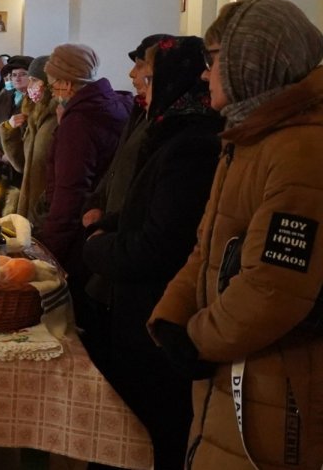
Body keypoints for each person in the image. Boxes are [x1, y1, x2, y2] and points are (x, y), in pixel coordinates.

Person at [150, 0, 323, 469]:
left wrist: (197, 338)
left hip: (273, 380)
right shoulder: (249, 136)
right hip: (231, 366)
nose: (205, 74)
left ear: (252, 58)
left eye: (213, 60)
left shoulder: (301, 148)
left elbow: (275, 286)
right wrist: (171, 316)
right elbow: (205, 248)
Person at [79, 36, 221, 470]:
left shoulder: (192, 144)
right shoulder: (166, 127)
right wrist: (110, 222)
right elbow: (145, 203)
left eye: (149, 74)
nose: (137, 80)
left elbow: (161, 242)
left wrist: (97, 249)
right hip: (138, 307)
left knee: (154, 433)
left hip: (154, 314)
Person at [38, 43, 130, 310]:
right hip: (101, 225)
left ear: (67, 85)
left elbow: (70, 189)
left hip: (79, 235)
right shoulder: (113, 104)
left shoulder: (79, 122)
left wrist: (49, 250)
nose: (53, 93)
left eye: (53, 85)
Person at [81, 34, 175, 231]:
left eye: (141, 66)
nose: (132, 74)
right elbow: (117, 163)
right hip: (112, 226)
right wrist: (97, 202)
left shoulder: (165, 124)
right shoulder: (140, 110)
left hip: (128, 234)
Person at [0, 56, 57, 225]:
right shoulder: (33, 115)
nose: (29, 85)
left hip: (43, 210)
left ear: (47, 83)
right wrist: (9, 131)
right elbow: (22, 164)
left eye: (33, 79)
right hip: (31, 204)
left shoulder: (55, 118)